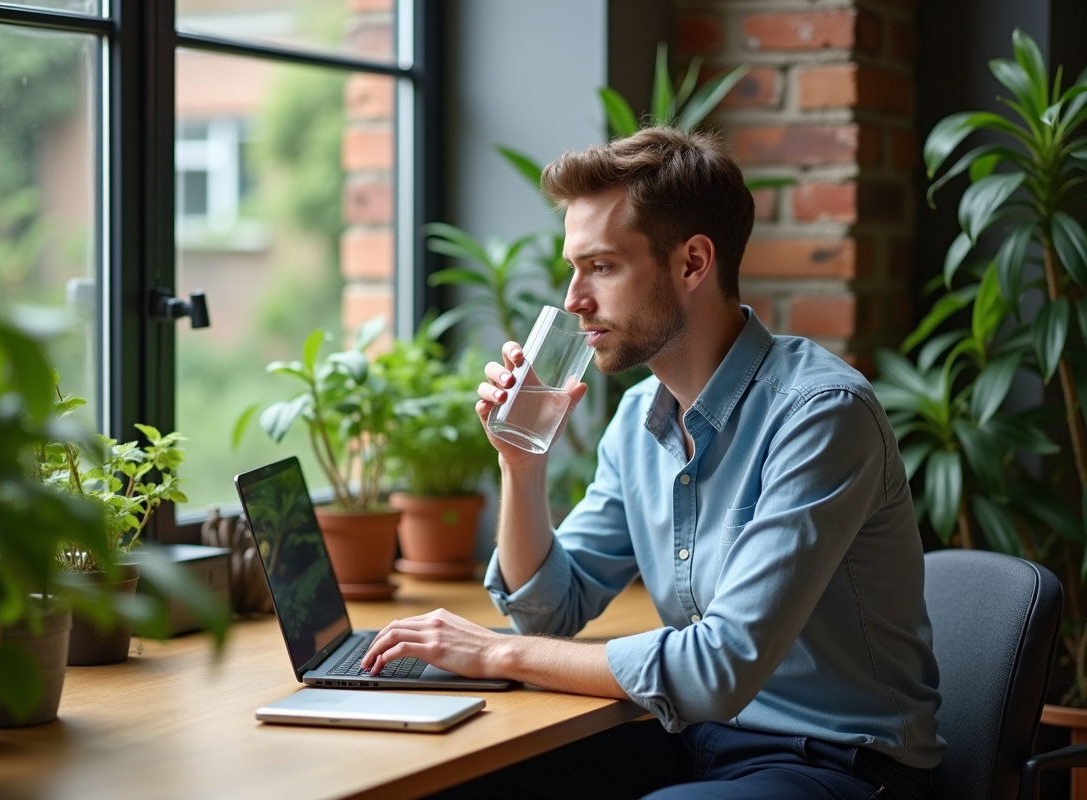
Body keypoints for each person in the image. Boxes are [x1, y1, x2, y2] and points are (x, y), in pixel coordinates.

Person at [360, 126, 943, 799]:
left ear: (693, 262)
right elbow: (551, 612)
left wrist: (495, 653)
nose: (574, 298)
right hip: (695, 741)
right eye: (573, 268)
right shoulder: (640, 419)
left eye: (601, 266)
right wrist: (520, 464)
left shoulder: (820, 414)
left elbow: (718, 667)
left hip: (838, 764)